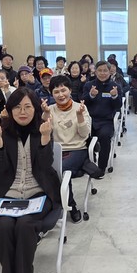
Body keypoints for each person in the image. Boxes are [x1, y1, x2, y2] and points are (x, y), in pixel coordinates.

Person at [0, 87, 61, 273]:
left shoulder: (42, 129)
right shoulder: (3, 132)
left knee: (25, 225)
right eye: (17, 107)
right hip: (9, 194)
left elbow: (45, 166)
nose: (22, 112)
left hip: (38, 193)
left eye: (28, 107)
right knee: (4, 227)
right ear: (9, 110)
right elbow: (0, 168)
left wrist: (46, 139)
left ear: (36, 109)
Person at [44, 76, 99, 224]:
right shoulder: (49, 109)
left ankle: (70, 207)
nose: (61, 95)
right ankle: (54, 205)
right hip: (56, 150)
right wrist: (45, 114)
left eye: (63, 90)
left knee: (60, 171)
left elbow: (85, 134)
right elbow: (44, 133)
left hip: (77, 149)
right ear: (51, 93)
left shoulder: (80, 108)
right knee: (44, 170)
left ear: (70, 90)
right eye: (56, 92)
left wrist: (79, 116)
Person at [82, 61, 122, 174]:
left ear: (110, 72)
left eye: (105, 71)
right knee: (82, 136)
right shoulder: (89, 85)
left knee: (104, 137)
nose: (102, 73)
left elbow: (118, 106)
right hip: (89, 119)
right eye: (100, 70)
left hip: (106, 121)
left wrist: (114, 96)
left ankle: (101, 167)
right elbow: (83, 102)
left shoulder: (115, 86)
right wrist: (91, 95)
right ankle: (86, 163)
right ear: (95, 71)